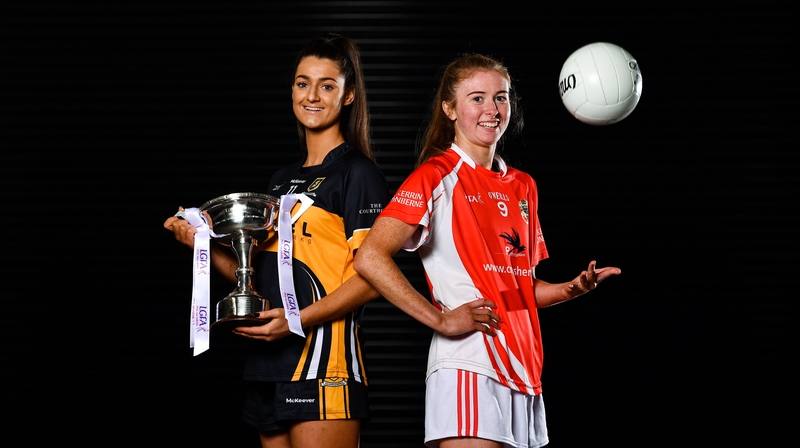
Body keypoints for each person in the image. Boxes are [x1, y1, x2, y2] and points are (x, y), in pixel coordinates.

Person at [353, 54, 621, 448]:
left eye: (501, 98)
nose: (492, 110)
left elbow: (516, 289)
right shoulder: (436, 175)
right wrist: (439, 321)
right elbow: (370, 256)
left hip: (524, 365)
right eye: (477, 98)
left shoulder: (523, 185)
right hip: (469, 361)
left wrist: (571, 288)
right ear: (449, 109)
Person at [164, 34, 390, 448]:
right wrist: (203, 244)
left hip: (324, 364)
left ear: (349, 95)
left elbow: (376, 279)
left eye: (327, 85)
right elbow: (261, 279)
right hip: (267, 366)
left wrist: (297, 321)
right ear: (292, 90)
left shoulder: (359, 174)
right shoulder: (280, 184)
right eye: (303, 83)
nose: (313, 96)